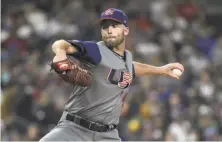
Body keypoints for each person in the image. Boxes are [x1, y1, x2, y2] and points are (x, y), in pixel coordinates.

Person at [39, 8, 184, 141]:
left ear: (126, 30)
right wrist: (60, 53)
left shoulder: (127, 58)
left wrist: (161, 70)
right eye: (105, 27)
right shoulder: (95, 51)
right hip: (74, 129)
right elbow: (60, 44)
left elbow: (132, 67)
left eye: (115, 26)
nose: (109, 30)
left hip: (107, 135)